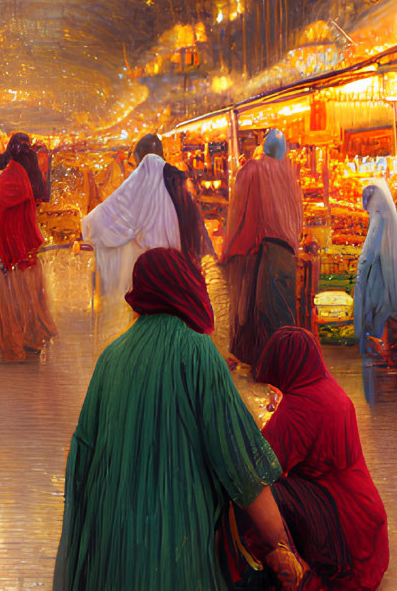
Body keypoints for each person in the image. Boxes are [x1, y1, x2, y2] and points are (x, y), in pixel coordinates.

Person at [53, 248, 310, 591]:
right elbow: (239, 463)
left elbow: (83, 456)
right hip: (177, 542)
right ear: (188, 287)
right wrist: (282, 546)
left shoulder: (110, 358)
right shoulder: (198, 353)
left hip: (113, 542)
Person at [252, 327, 389, 591]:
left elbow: (263, 465)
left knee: (258, 496)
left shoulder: (302, 404)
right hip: (367, 530)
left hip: (344, 537)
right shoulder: (328, 388)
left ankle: (294, 577)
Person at [80, 132, 200, 335]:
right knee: (170, 309)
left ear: (140, 158)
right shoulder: (177, 180)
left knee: (147, 314)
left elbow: (111, 211)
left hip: (147, 263)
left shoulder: (140, 181)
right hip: (175, 259)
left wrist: (87, 226)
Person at [222, 129, 304, 368]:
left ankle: (270, 371)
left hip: (264, 252)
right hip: (287, 254)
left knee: (265, 315)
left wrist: (229, 250)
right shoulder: (288, 174)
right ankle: (285, 368)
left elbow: (239, 214)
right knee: (283, 315)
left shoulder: (253, 169)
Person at [0, 131, 58, 362]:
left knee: (12, 299)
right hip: (24, 248)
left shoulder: (11, 176)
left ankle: (15, 347)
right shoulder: (28, 175)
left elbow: (1, 215)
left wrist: (4, 252)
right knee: (28, 296)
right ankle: (32, 341)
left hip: (11, 249)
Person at [353, 179, 397, 404]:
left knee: (374, 324)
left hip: (376, 278)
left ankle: (377, 365)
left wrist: (360, 273)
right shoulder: (388, 214)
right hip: (383, 275)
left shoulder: (379, 218)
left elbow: (369, 253)